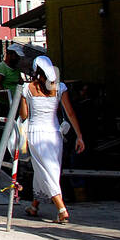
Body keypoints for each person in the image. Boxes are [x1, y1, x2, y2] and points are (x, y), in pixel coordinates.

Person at [20, 56, 85, 223]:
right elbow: (70, 113)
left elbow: (24, 115)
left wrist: (21, 98)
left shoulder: (27, 88)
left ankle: (61, 208)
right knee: (50, 170)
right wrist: (79, 136)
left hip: (36, 133)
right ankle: (34, 206)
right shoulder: (59, 88)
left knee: (45, 170)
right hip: (55, 134)